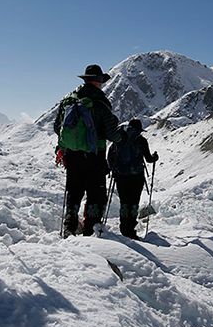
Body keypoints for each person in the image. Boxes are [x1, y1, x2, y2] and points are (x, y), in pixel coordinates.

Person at [54, 64, 124, 236]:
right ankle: (90, 229)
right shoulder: (100, 102)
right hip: (94, 156)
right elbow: (112, 133)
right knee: (96, 194)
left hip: (72, 155)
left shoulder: (69, 100)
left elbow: (57, 127)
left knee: (74, 190)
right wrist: (121, 137)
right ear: (99, 81)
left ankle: (69, 226)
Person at [107, 119, 159, 239]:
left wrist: (114, 170)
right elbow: (149, 159)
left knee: (124, 202)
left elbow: (110, 156)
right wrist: (155, 157)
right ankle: (130, 229)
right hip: (137, 176)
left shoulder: (118, 138)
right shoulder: (141, 140)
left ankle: (124, 228)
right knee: (133, 203)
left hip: (121, 177)